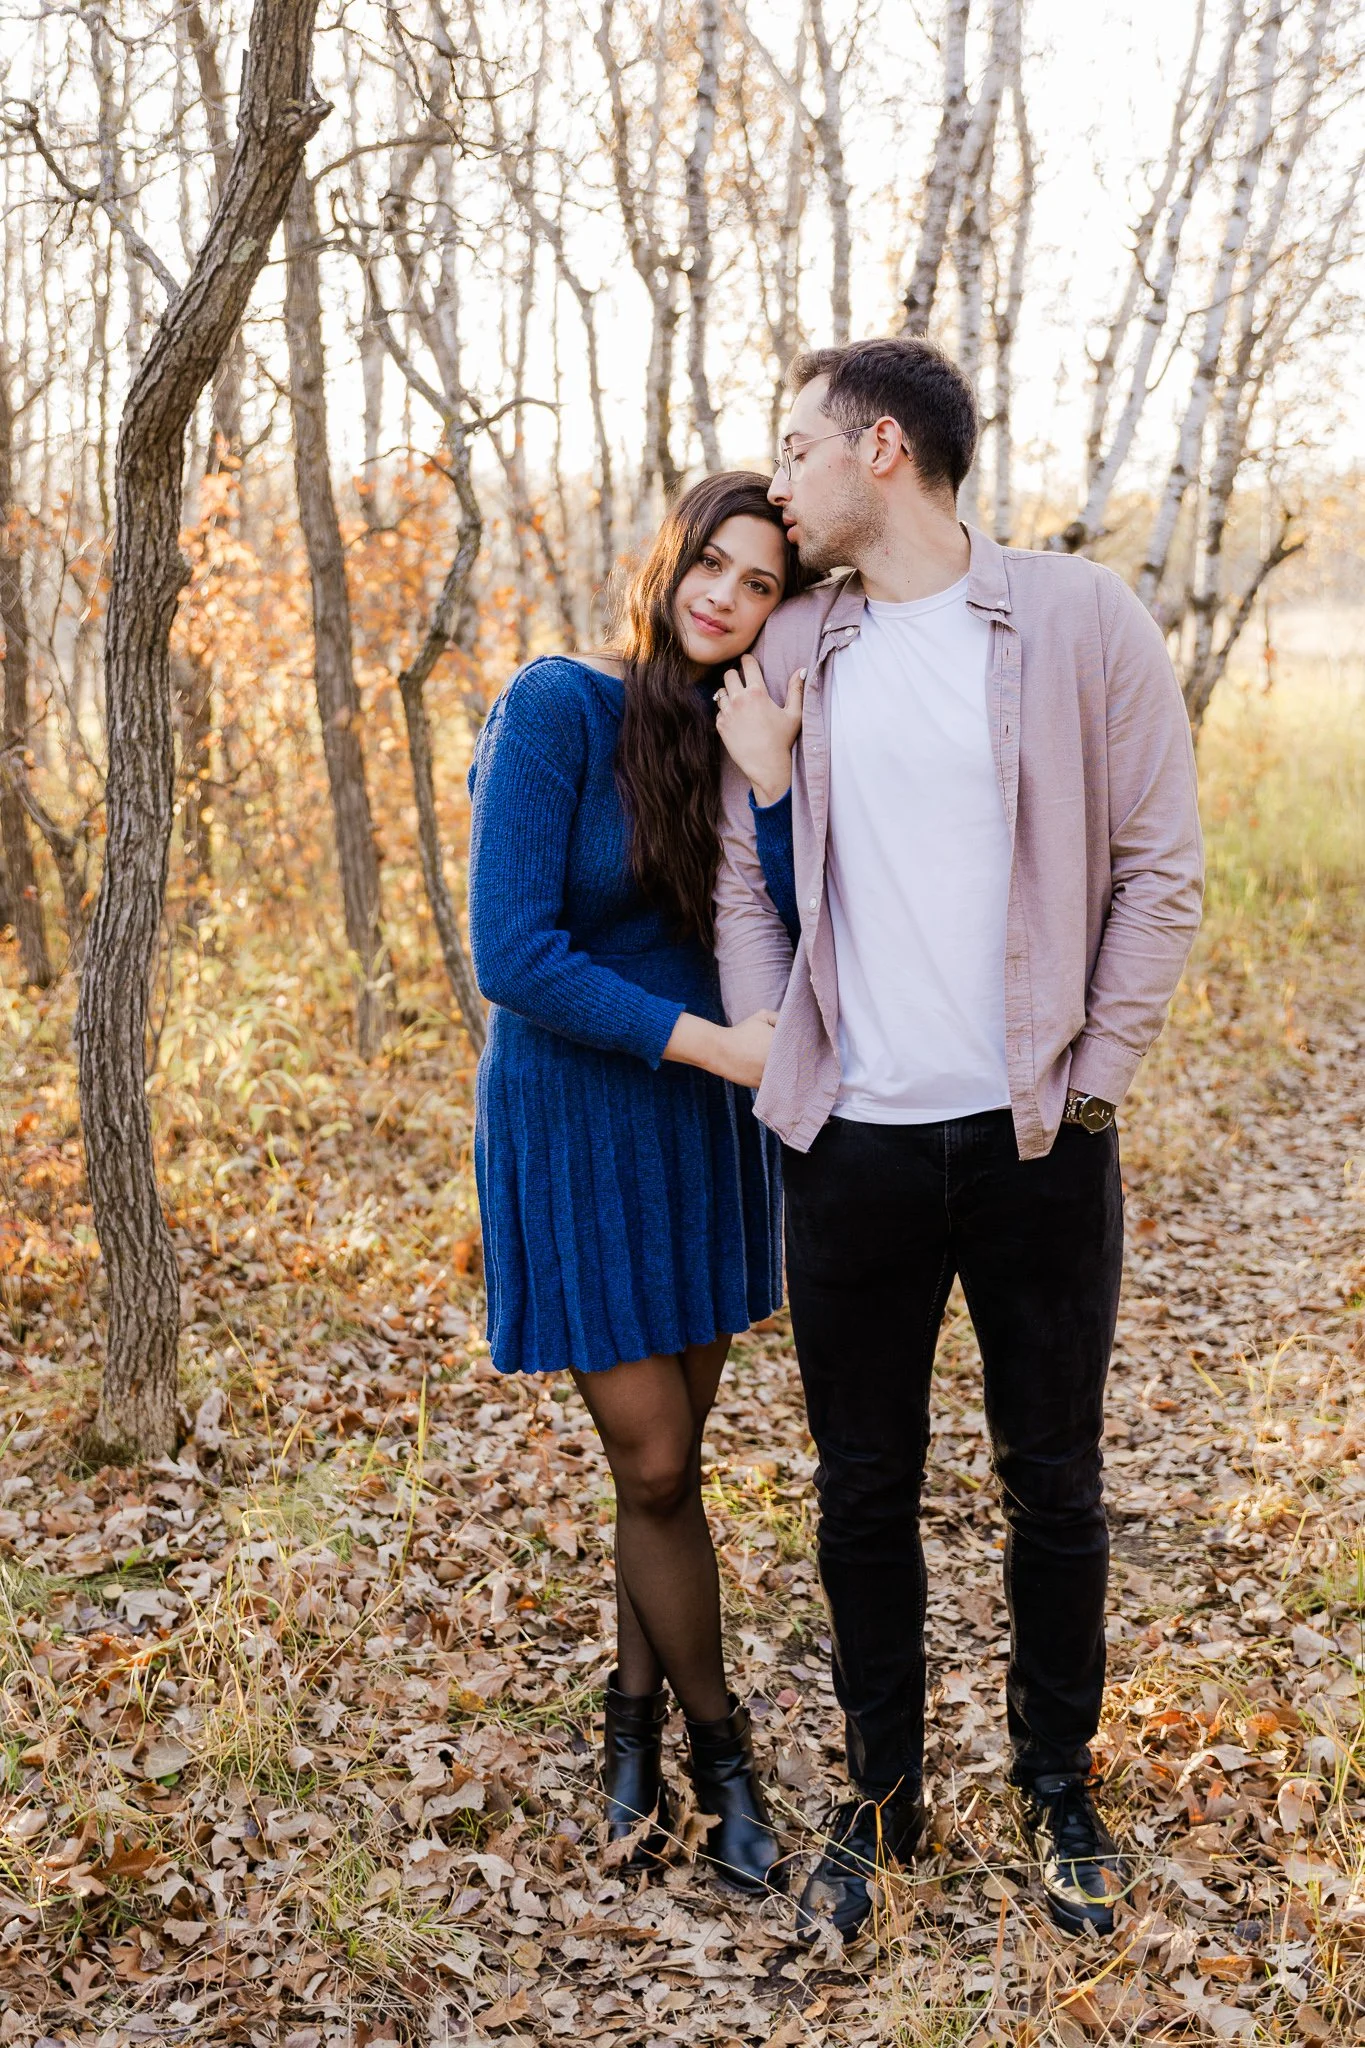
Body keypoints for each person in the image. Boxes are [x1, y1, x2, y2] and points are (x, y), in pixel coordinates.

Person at [713, 336, 1204, 1940]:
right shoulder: (797, 640)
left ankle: (1058, 1788)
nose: (779, 480)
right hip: (849, 1147)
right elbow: (742, 878)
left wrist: (1097, 1079)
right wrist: (776, 1044)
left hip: (1038, 1142)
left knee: (1052, 1480)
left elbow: (1159, 868)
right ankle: (881, 1803)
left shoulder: (1076, 619)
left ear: (882, 449)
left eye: (798, 447)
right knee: (862, 1490)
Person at [467, 471, 807, 1896]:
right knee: (656, 1460)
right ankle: (723, 1757)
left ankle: (630, 1732)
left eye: (761, 583)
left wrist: (774, 779)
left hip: (698, 1134)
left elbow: (794, 911)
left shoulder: (743, 729)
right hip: (580, 1121)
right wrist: (714, 1045)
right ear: (671, 562)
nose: (725, 596)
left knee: (657, 1474)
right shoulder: (558, 705)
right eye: (711, 564)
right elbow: (512, 952)